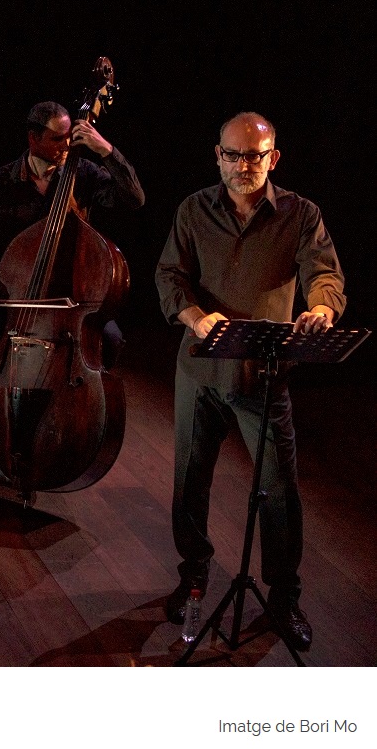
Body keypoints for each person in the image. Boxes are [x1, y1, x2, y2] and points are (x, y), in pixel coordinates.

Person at [155, 112, 345, 652]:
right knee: (189, 482)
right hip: (200, 372)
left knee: (279, 492)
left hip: (263, 377)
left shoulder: (302, 215)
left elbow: (325, 274)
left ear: (273, 158)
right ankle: (193, 573)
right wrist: (194, 316)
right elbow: (169, 274)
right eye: (233, 155)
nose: (243, 166)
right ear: (217, 155)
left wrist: (323, 309)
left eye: (254, 156)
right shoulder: (194, 210)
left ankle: (282, 596)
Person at [0, 101, 144, 483]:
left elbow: (134, 199)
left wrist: (106, 150)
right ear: (33, 138)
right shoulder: (1, 181)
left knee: (110, 340)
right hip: (13, 297)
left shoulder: (85, 174)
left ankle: (64, 431)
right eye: (56, 138)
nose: (66, 145)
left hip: (67, 307)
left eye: (70, 138)